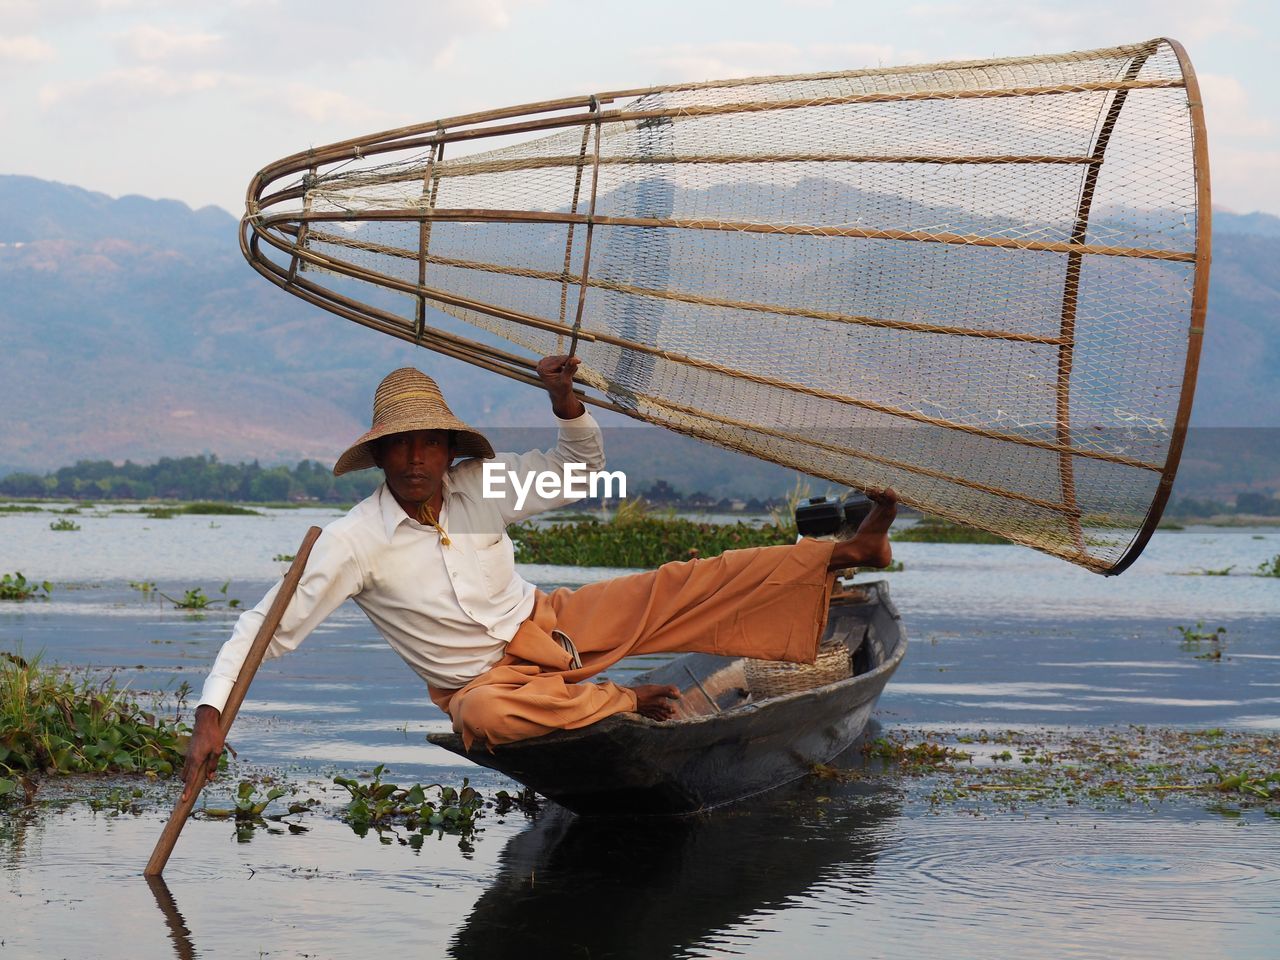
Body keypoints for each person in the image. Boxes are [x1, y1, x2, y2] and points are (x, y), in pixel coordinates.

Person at [181, 355, 897, 801]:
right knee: (479, 720)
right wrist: (212, 714)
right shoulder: (352, 542)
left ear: (446, 446)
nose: (413, 460)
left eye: (426, 442)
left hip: (549, 625)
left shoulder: (478, 485)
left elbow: (578, 470)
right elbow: (265, 626)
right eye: (397, 447)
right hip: (484, 683)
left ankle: (846, 554)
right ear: (379, 456)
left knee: (684, 581)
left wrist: (567, 405)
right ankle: (616, 704)